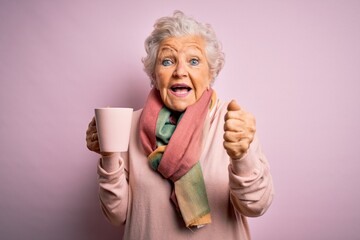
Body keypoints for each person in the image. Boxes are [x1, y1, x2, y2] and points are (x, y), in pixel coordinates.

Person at [86, 10, 274, 240]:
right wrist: (108, 153)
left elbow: (256, 206)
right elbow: (116, 215)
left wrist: (242, 157)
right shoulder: (128, 125)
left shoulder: (234, 124)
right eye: (168, 61)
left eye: (194, 61)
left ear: (211, 73)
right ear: (155, 73)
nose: (180, 71)